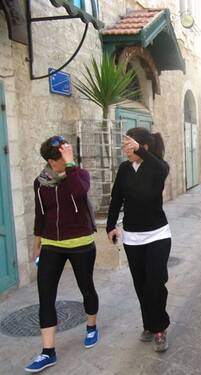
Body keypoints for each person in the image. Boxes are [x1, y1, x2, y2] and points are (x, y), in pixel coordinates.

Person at [26, 136, 99, 373]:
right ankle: (48, 352)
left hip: (81, 241)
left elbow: (79, 192)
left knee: (86, 286)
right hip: (51, 243)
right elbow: (41, 213)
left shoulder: (78, 174)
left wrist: (70, 165)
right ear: (51, 161)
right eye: (64, 157)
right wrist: (37, 242)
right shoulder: (41, 182)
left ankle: (91, 326)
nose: (70, 159)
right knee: (45, 295)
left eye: (70, 156)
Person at [106, 127, 171, 352]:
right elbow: (116, 199)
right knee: (141, 284)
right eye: (124, 145)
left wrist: (142, 153)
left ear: (143, 147)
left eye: (129, 145)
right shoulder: (124, 169)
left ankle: (160, 328)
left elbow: (162, 169)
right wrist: (110, 226)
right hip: (132, 237)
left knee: (156, 282)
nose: (125, 149)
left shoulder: (156, 166)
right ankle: (149, 324)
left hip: (158, 235)